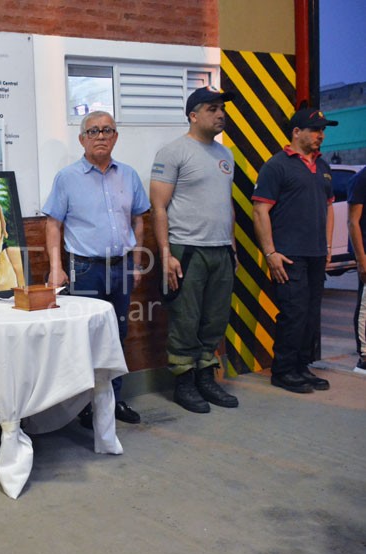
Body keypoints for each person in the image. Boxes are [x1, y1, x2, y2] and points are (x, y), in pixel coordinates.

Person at [44, 110, 150, 426]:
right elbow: (52, 225)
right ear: (82, 139)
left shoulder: (129, 175)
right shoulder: (67, 178)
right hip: (85, 271)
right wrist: (56, 267)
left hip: (120, 270)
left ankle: (113, 400)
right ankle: (85, 406)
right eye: (93, 131)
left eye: (107, 130)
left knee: (117, 334)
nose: (100, 136)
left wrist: (137, 260)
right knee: (85, 338)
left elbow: (139, 219)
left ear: (115, 136)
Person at [149, 86, 240, 414]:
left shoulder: (225, 155)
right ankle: (184, 382)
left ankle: (205, 377)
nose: (220, 114)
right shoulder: (173, 152)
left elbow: (225, 204)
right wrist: (166, 254)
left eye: (222, 109)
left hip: (220, 250)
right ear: (193, 115)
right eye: (212, 109)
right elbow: (158, 207)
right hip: (186, 249)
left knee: (214, 319)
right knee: (186, 319)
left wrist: (232, 247)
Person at [252, 107, 338, 393]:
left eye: (323, 130)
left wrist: (327, 247)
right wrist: (270, 253)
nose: (321, 135)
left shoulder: (323, 167)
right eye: (315, 130)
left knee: (311, 315)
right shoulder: (276, 165)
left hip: (315, 255)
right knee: (294, 313)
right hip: (289, 254)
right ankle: (284, 371)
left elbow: (329, 209)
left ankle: (302, 367)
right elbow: (260, 210)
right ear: (296, 132)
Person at [347, 166, 366, 374]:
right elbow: (353, 222)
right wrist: (361, 260)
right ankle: (364, 358)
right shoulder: (361, 179)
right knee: (365, 307)